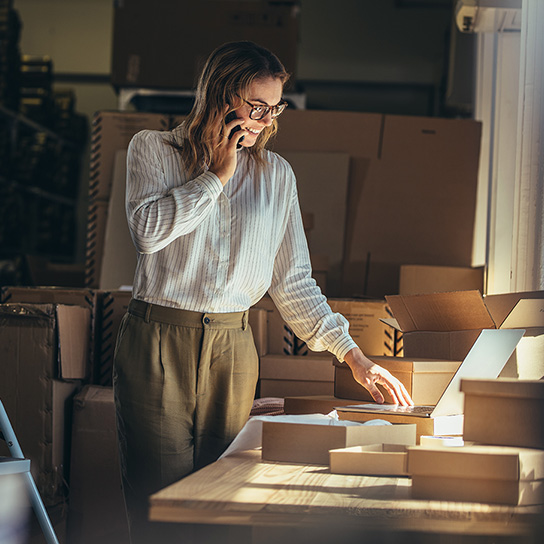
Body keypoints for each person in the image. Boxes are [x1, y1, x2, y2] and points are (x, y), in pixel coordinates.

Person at [113, 40, 413, 543]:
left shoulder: (276, 177)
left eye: (274, 108)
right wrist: (216, 177)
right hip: (158, 339)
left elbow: (292, 281)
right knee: (157, 501)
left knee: (225, 497)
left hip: (234, 348)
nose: (263, 120)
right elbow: (147, 232)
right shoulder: (153, 149)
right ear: (220, 93)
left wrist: (355, 357)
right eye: (256, 106)